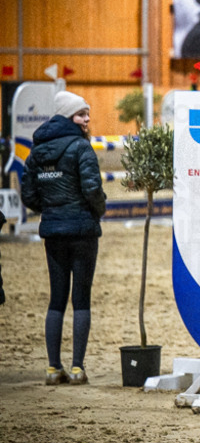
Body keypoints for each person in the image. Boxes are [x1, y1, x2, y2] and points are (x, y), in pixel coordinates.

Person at [21, 91, 106, 385]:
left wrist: (52, 211)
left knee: (56, 299)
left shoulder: (36, 152)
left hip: (54, 232)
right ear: (68, 116)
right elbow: (93, 189)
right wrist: (98, 210)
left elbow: (29, 194)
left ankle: (53, 368)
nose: (87, 119)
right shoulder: (82, 148)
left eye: (87, 114)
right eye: (82, 114)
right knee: (81, 300)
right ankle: (78, 367)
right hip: (82, 232)